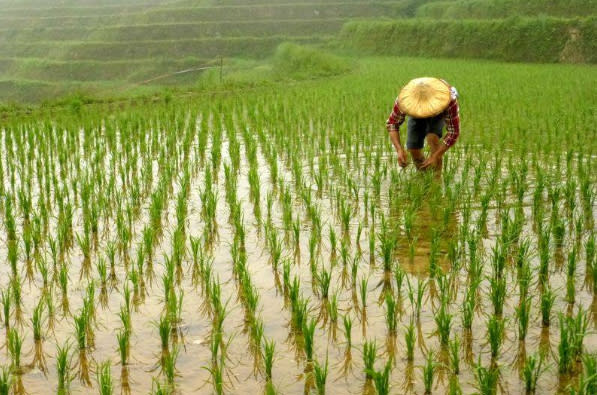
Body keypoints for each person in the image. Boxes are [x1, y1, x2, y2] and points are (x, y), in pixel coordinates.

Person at [386, 77, 460, 172]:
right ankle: (423, 177)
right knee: (413, 148)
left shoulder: (448, 99)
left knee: (433, 138)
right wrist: (399, 149)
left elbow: (454, 132)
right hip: (415, 110)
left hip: (438, 109)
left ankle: (436, 180)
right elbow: (392, 123)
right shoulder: (404, 101)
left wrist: (436, 156)